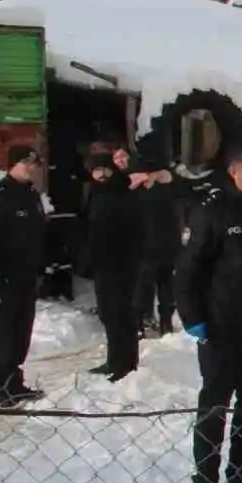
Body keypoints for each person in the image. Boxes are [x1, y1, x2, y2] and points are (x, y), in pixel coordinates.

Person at [175, 141, 242, 483]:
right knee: (215, 405)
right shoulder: (212, 211)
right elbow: (187, 270)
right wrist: (194, 318)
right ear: (234, 171)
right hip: (219, 328)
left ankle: (241, 469)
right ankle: (205, 481)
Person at [0, 146, 47, 407]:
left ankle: (12, 384)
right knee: (1, 335)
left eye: (35, 163)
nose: (31, 167)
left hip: (26, 278)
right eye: (26, 162)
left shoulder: (31, 195)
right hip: (2, 278)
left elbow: (38, 235)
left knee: (20, 335)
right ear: (11, 165)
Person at [84, 151, 143, 382]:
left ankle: (126, 363)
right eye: (96, 170)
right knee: (108, 314)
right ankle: (114, 359)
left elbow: (135, 232)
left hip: (122, 265)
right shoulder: (95, 194)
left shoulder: (123, 195)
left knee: (121, 314)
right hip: (103, 265)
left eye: (104, 169)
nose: (100, 174)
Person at [132, 153, 183, 337]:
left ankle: (141, 323)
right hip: (167, 244)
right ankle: (164, 323)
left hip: (149, 245)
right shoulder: (170, 188)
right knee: (164, 285)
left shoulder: (139, 192)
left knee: (145, 285)